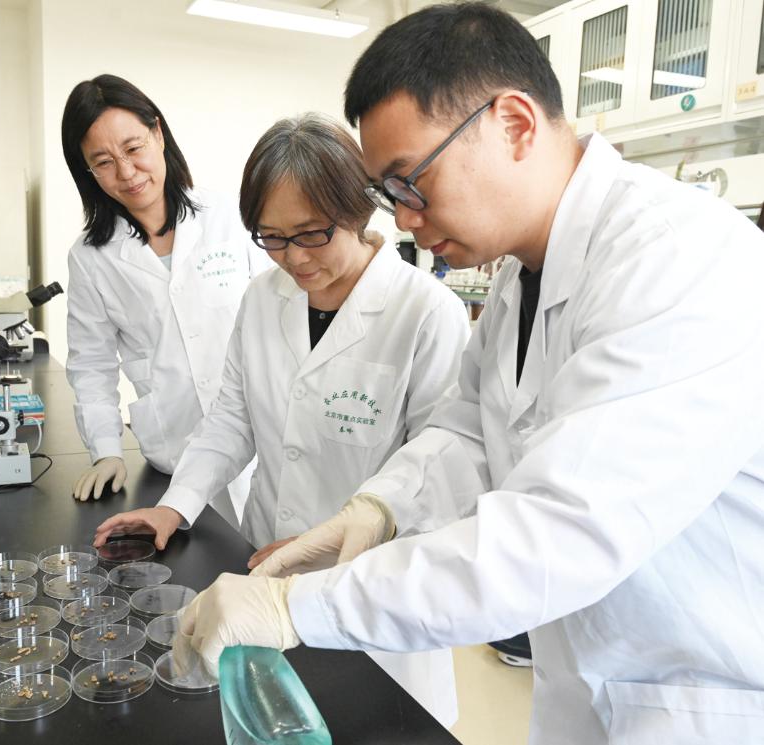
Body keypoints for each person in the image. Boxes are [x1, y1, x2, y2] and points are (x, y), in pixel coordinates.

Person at [173, 5, 764, 745]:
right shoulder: (523, 274)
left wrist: (296, 607)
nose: (403, 219)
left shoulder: (678, 261)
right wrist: (378, 507)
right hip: (594, 685)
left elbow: (555, 533)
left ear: (513, 124)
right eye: (390, 194)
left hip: (706, 698)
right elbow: (469, 429)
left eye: (410, 182)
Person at [94, 113, 469, 723]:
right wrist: (176, 505)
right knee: (272, 722)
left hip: (372, 592)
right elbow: (232, 419)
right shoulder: (264, 298)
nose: (293, 258)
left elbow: (441, 474)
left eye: (311, 234)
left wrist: (340, 538)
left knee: (367, 722)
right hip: (263, 565)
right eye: (271, 237)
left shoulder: (425, 312)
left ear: (359, 209)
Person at [61, 75, 270, 525]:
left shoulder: (230, 217)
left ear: (157, 133)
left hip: (260, 441)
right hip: (174, 451)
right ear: (88, 171)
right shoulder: (91, 258)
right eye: (104, 162)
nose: (127, 172)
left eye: (133, 148)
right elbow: (92, 365)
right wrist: (106, 451)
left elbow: (282, 317)